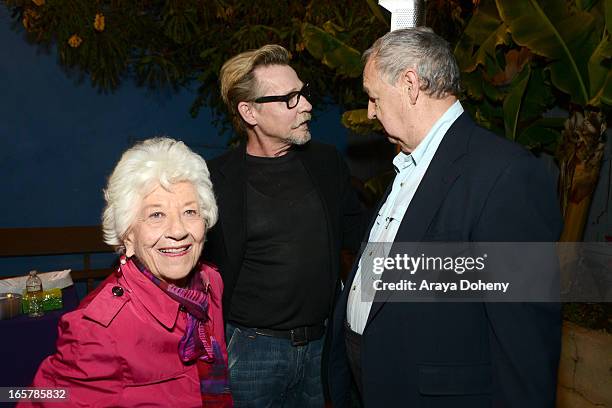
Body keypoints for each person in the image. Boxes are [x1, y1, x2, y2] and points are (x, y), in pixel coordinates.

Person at [328, 28, 563, 407]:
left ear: (410, 84)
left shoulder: (505, 173)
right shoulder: (409, 165)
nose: (370, 110)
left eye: (373, 96)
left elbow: (526, 342)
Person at [203, 44, 364, 407]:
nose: (306, 105)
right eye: (289, 98)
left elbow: (362, 238)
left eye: (303, 93)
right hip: (251, 352)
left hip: (322, 347)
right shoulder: (215, 180)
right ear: (249, 112)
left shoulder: (326, 162)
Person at [19, 138, 232, 407]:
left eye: (190, 211)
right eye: (156, 215)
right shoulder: (97, 330)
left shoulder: (210, 283)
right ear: (128, 235)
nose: (178, 231)